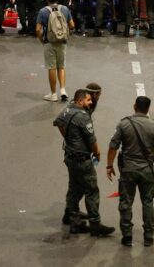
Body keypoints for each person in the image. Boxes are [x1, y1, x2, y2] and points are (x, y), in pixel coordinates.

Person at [106, 96, 154, 247]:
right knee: (147, 202)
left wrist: (109, 165)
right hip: (147, 171)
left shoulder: (124, 124)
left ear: (134, 106)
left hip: (128, 170)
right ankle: (148, 236)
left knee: (126, 202)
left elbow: (113, 146)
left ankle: (127, 236)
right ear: (148, 109)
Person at [53, 89, 115, 237]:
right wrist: (97, 152)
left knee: (74, 188)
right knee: (91, 190)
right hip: (82, 159)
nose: (91, 102)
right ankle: (95, 224)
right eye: (88, 100)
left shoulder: (68, 109)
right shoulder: (82, 117)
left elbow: (58, 122)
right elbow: (91, 140)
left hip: (70, 157)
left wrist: (69, 138)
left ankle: (73, 220)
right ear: (80, 101)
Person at [35, 0, 74, 102]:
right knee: (61, 66)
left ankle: (53, 94)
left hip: (49, 42)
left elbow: (38, 29)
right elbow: (72, 25)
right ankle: (63, 90)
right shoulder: (65, 9)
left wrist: (42, 40)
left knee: (51, 67)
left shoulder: (43, 11)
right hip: (62, 41)